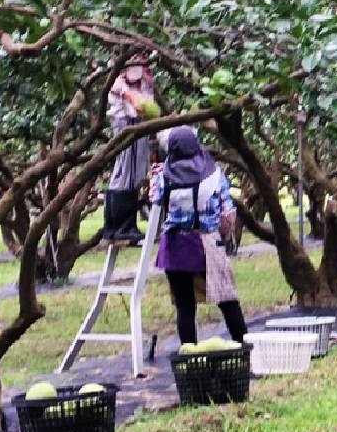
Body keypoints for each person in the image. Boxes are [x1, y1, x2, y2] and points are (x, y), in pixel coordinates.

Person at [150, 126, 247, 346]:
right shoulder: (214, 173)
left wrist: (154, 177)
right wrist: (225, 235)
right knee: (227, 300)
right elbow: (228, 211)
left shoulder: (165, 175)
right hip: (207, 243)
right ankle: (244, 347)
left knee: (185, 307)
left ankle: (189, 356)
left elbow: (155, 199)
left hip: (176, 245)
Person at [103, 59, 159, 241]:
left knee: (126, 174)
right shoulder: (120, 81)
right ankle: (123, 228)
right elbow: (133, 101)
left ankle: (116, 227)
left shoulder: (141, 80)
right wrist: (133, 97)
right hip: (129, 125)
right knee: (128, 175)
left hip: (135, 125)